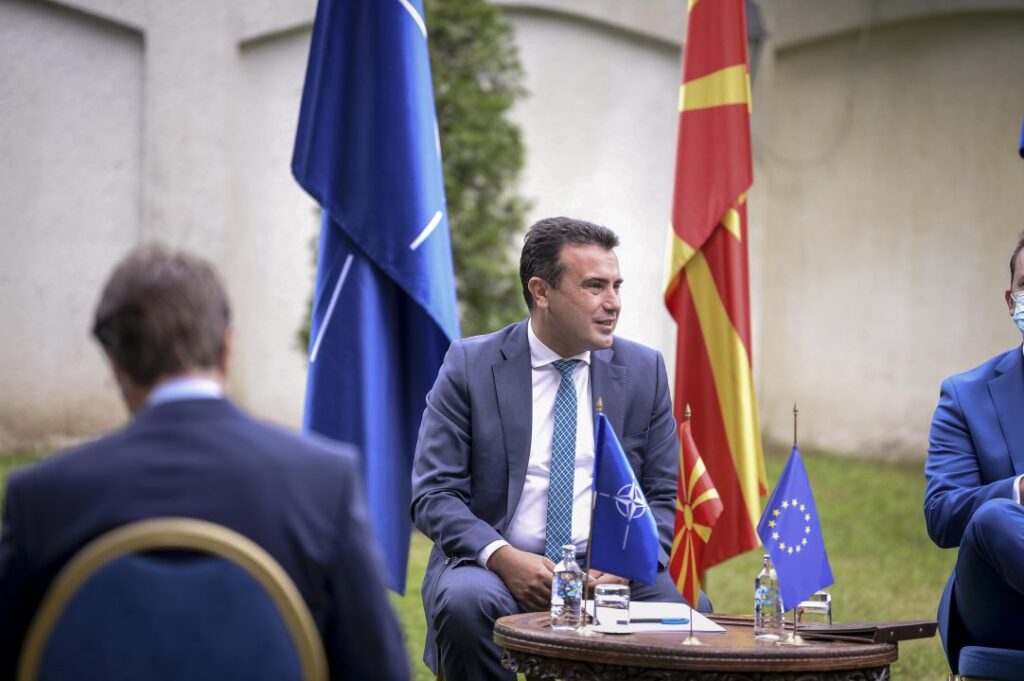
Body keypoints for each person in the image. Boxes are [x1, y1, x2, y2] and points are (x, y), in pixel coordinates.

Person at [0, 244, 409, 681]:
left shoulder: (41, 500)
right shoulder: (322, 484)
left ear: (115, 364)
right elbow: (379, 669)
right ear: (228, 346)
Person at [412, 217, 701, 681]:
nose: (613, 303)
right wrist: (502, 556)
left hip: (611, 568)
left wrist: (627, 562)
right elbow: (434, 494)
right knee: (466, 602)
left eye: (616, 286)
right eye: (594, 286)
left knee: (685, 613)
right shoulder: (471, 365)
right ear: (541, 291)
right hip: (497, 566)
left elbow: (664, 495)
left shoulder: (643, 370)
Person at [925, 232, 1024, 671]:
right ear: (1010, 299)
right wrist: (1018, 490)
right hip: (999, 600)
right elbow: (942, 515)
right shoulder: (965, 395)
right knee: (994, 516)